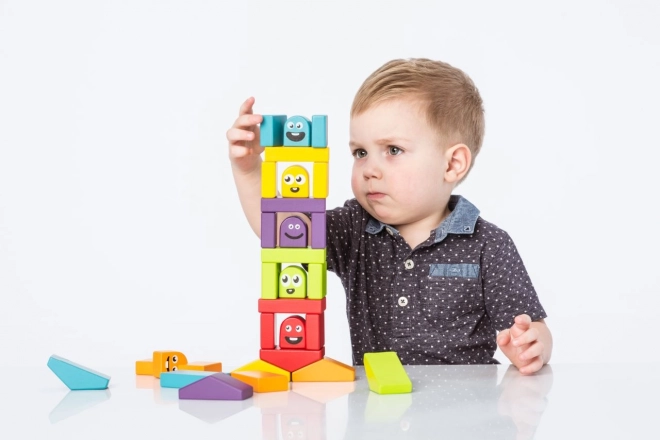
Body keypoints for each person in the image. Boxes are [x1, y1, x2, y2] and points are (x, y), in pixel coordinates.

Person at [226, 58, 552, 375]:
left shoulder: (489, 245)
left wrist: (531, 344)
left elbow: (529, 327)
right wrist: (249, 171)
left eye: (393, 150)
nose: (370, 169)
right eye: (360, 152)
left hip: (465, 414)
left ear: (452, 164)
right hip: (376, 415)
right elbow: (282, 234)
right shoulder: (354, 228)